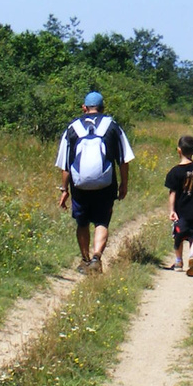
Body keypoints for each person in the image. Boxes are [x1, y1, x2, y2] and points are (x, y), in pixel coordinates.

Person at [56, 91, 135, 273]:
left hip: (79, 185)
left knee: (82, 223)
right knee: (102, 221)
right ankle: (96, 257)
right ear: (102, 108)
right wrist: (124, 183)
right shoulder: (112, 126)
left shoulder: (73, 127)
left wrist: (64, 190)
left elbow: (65, 165)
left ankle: (84, 260)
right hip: (105, 184)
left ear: (84, 108)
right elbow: (123, 159)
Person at [164, 134, 193, 276]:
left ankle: (178, 261)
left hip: (181, 211)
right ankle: (192, 255)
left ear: (179, 150)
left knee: (178, 236)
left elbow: (172, 192)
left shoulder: (174, 172)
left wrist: (172, 210)